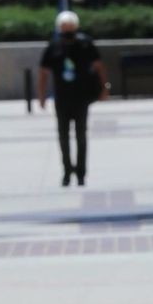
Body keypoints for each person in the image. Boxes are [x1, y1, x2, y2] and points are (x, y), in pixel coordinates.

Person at [37, 9, 108, 184]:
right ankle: (67, 170)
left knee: (81, 135)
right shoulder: (53, 46)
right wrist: (42, 95)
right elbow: (43, 73)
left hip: (81, 97)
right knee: (63, 136)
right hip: (62, 98)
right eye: (64, 28)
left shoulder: (85, 44)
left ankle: (81, 173)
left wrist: (104, 88)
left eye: (70, 27)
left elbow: (99, 66)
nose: (68, 32)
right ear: (59, 28)